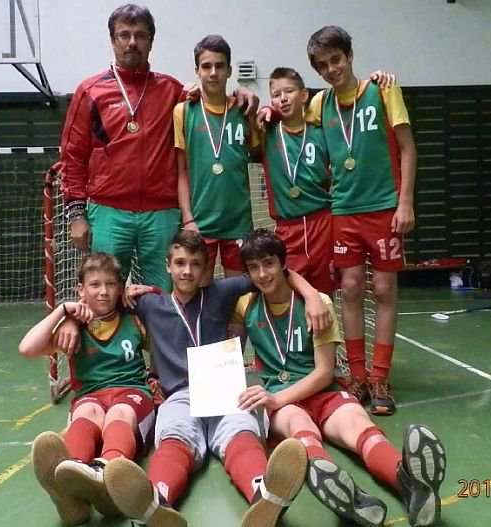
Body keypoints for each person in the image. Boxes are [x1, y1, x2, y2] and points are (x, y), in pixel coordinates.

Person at [69, 230, 332, 527]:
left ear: (207, 267)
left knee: (241, 432)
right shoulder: (149, 304)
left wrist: (311, 295)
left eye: (195, 264)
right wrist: (69, 320)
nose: (187, 271)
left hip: (225, 390)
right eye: (180, 263)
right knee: (174, 435)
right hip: (180, 395)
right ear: (168, 266)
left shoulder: (222, 292)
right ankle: (157, 501)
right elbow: (99, 301)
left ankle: (263, 495)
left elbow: (274, 274)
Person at [235, 229, 446, 527]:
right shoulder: (244, 305)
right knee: (300, 429)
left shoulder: (317, 304)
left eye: (269, 263)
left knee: (359, 427)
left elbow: (324, 373)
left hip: (317, 391)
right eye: (253, 267)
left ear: (284, 264)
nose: (262, 274)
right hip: (284, 401)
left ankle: (410, 485)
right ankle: (353, 498)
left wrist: (310, 294)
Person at [60, 5, 258, 291]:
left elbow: (213, 102)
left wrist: (241, 93)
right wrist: (77, 215)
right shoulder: (90, 91)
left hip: (162, 215)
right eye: (124, 35)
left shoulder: (173, 91)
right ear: (112, 40)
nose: (132, 42)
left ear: (151, 42)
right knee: (105, 296)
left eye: (140, 35)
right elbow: (73, 157)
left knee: (165, 299)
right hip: (109, 213)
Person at [305, 26, 418, 415]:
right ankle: (358, 376)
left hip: (384, 208)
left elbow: (407, 148)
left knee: (384, 289)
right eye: (323, 65)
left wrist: (405, 203)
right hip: (343, 211)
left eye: (336, 59)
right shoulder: (319, 104)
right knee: (350, 289)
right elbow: (291, 122)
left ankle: (380, 376)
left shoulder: (383, 91)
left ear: (350, 55)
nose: (331, 69)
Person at [19, 252, 155, 525]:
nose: (103, 291)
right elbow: (27, 348)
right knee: (87, 412)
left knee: (119, 412)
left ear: (121, 288)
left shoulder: (134, 320)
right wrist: (62, 311)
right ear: (80, 289)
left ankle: (109, 474)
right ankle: (72, 477)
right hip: (90, 395)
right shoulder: (72, 330)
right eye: (95, 285)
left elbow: (168, 344)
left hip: (132, 392)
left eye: (111, 284)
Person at [175, 35, 257, 285]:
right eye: (206, 66)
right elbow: (181, 171)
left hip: (238, 223)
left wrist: (253, 105)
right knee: (199, 296)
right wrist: (188, 219)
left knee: (239, 296)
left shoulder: (243, 109)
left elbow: (258, 151)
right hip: (200, 224)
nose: (213, 73)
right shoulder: (183, 111)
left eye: (220, 66)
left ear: (230, 70)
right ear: (196, 70)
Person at [255, 67, 334, 294]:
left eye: (289, 91)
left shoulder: (321, 132)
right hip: (288, 228)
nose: (283, 98)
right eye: (276, 95)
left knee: (325, 294)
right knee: (290, 293)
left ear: (304, 94)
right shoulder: (266, 132)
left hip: (322, 224)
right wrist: (265, 111)